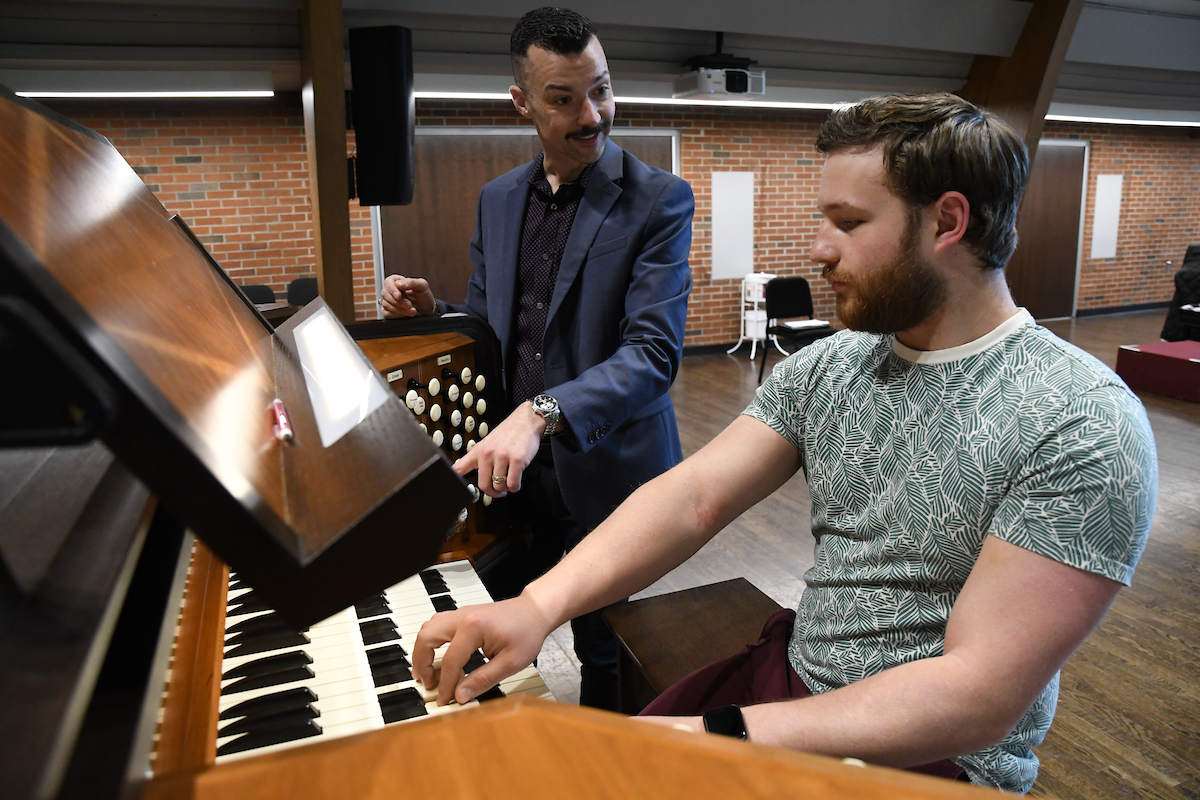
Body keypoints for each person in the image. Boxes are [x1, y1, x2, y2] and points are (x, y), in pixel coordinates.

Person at [410, 93, 1158, 793]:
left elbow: (977, 697)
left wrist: (719, 735)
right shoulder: (832, 364)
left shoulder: (1082, 421)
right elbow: (696, 495)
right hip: (798, 679)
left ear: (948, 222)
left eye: (848, 222)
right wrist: (536, 606)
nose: (818, 249)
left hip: (933, 761)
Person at [378, 7, 693, 711]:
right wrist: (438, 314)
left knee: (603, 647)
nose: (593, 115)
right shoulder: (496, 200)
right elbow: (498, 328)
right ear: (521, 102)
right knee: (485, 617)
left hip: (609, 472)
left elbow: (652, 356)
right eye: (564, 99)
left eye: (602, 90)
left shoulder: (658, 201)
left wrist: (542, 411)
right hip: (515, 475)